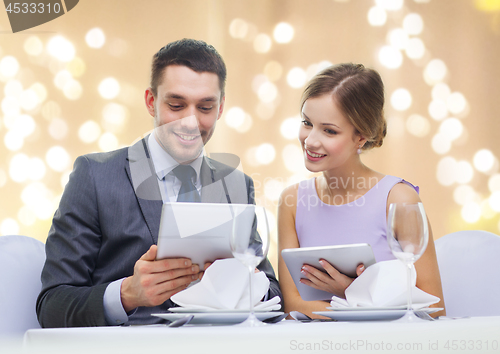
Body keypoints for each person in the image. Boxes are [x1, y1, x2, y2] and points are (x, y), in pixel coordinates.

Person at [37, 38, 282, 327]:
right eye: (176, 105)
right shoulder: (94, 176)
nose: (190, 122)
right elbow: (51, 306)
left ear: (221, 107)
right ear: (151, 102)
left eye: (205, 107)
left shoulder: (236, 184)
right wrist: (127, 294)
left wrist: (247, 282)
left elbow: (273, 296)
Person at [277, 63, 445, 319]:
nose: (310, 140)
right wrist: (361, 303)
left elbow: (434, 310)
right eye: (307, 123)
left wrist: (352, 292)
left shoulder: (398, 199)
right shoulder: (292, 202)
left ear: (361, 137)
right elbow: (293, 306)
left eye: (329, 130)